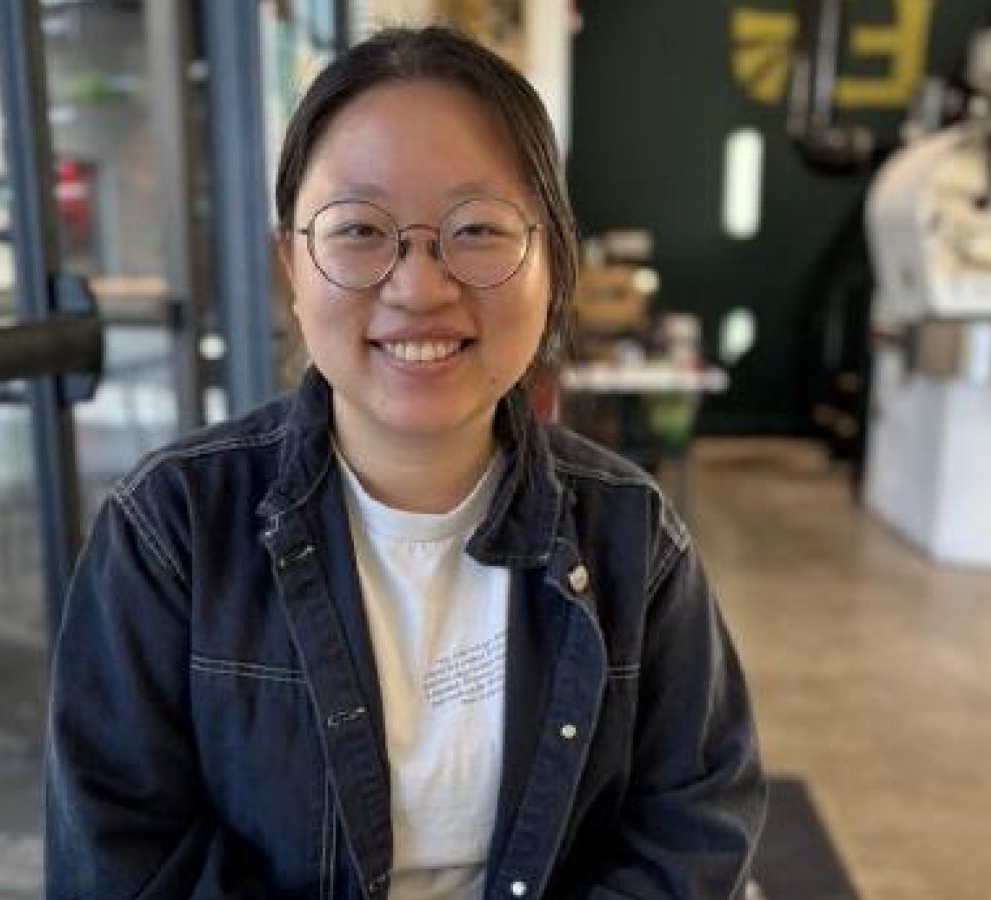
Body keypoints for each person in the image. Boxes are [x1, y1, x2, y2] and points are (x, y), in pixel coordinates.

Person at [45, 25, 766, 900]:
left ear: (552, 258)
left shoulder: (632, 537)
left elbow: (696, 831)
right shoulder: (171, 532)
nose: (420, 287)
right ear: (291, 265)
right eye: (358, 229)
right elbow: (122, 861)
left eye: (476, 228)